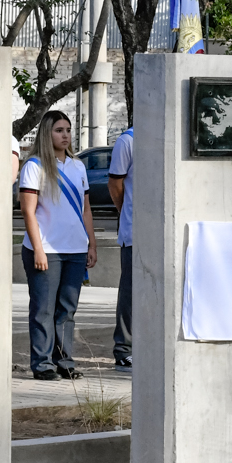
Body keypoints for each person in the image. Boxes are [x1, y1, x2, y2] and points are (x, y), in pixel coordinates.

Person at [19, 111, 98, 381]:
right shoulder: (35, 166)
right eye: (58, 130)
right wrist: (38, 249)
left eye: (67, 130)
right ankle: (42, 365)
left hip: (74, 248)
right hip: (45, 250)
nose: (65, 135)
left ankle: (64, 361)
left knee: (67, 309)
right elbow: (28, 211)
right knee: (43, 309)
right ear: (47, 134)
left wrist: (91, 243)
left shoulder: (78, 166)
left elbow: (86, 209)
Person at [108, 125, 135, 373]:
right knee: (131, 291)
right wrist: (125, 213)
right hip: (136, 232)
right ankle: (124, 349)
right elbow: (115, 185)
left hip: (164, 231)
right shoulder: (128, 141)